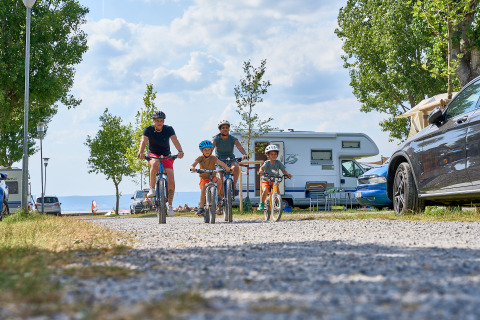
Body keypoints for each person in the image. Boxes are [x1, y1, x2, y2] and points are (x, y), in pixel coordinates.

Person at [137, 110, 184, 217]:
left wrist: (180, 150)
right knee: (154, 164)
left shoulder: (168, 129)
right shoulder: (148, 129)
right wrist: (141, 152)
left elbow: (174, 140)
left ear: (163, 121)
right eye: (157, 121)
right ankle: (152, 189)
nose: (159, 123)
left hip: (166, 154)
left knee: (171, 178)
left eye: (161, 121)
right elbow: (143, 141)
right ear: (153, 121)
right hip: (153, 154)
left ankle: (170, 206)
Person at [190, 140, 230, 216]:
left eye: (209, 149)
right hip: (204, 179)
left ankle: (218, 195)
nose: (207, 151)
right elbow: (193, 164)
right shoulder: (200, 158)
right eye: (205, 150)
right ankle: (201, 208)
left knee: (219, 181)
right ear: (202, 150)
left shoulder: (213, 158)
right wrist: (193, 168)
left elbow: (220, 162)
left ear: (211, 150)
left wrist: (226, 167)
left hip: (213, 176)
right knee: (203, 189)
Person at [212, 120, 248, 195]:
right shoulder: (216, 139)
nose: (225, 129)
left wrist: (244, 153)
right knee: (220, 180)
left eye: (226, 127)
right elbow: (211, 148)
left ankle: (234, 186)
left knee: (236, 167)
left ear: (229, 129)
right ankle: (219, 197)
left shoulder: (232, 138)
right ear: (220, 129)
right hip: (220, 160)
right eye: (223, 128)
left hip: (230, 159)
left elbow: (239, 146)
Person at [258, 144, 292, 210]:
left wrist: (287, 174)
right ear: (268, 155)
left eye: (275, 154)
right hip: (266, 180)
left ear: (277, 155)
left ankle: (278, 203)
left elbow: (283, 171)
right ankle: (261, 204)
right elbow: (261, 168)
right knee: (265, 190)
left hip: (275, 180)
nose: (273, 156)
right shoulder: (267, 163)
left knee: (277, 190)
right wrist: (261, 171)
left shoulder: (278, 163)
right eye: (271, 154)